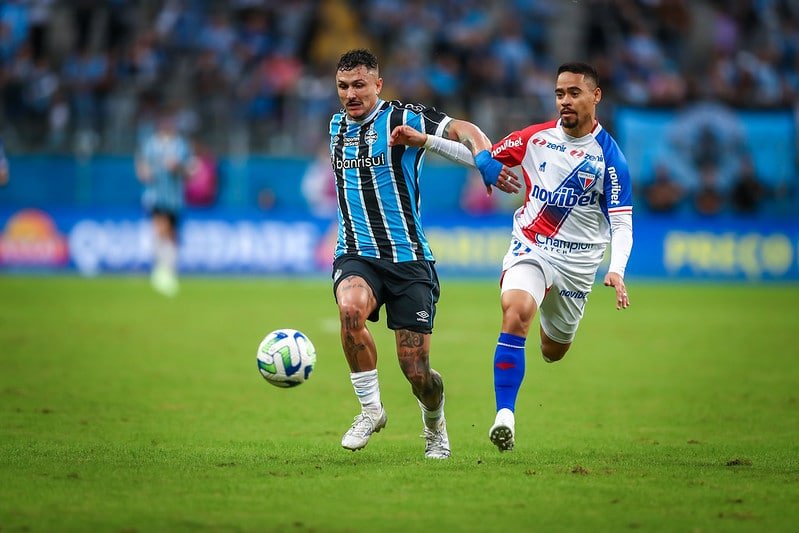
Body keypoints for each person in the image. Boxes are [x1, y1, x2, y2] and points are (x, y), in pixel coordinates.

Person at [392, 62, 633, 453]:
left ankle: (548, 332)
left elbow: (622, 223)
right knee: (516, 310)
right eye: (559, 94)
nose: (565, 101)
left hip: (579, 266)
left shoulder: (611, 160)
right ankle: (505, 415)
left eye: (574, 93)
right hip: (532, 247)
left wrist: (616, 270)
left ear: (595, 96)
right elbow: (481, 157)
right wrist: (425, 141)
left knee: (553, 351)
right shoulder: (536, 138)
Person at [329, 49, 520, 459]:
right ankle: (370, 409)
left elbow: (464, 130)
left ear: (378, 85)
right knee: (350, 310)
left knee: (416, 372)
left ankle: (435, 426)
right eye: (343, 86)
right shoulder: (335, 128)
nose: (350, 94)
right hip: (356, 254)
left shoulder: (401, 117)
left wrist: (482, 158)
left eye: (359, 85)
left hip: (410, 260)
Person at [135, 111, 195, 297]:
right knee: (160, 228)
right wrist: (144, 173)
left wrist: (179, 167)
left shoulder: (181, 145)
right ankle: (161, 270)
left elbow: (190, 170)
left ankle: (167, 270)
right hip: (156, 195)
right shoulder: (151, 144)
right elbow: (141, 164)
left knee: (171, 234)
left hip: (174, 198)